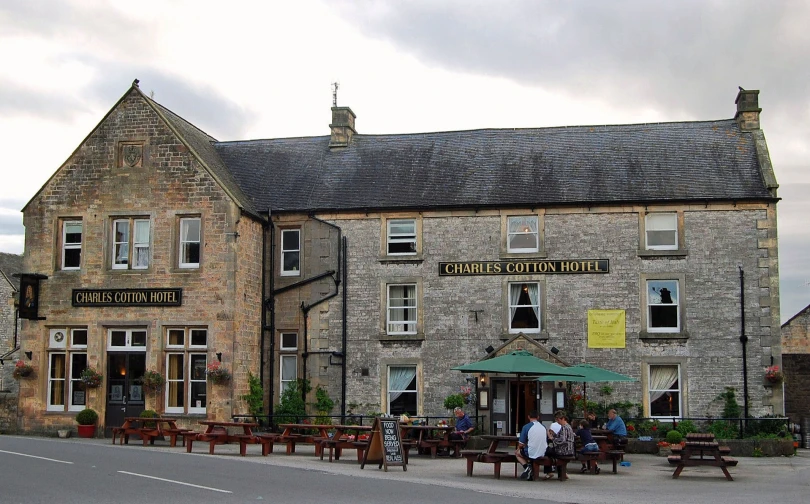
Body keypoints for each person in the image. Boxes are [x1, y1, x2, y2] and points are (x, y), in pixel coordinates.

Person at [515, 410, 547, 481]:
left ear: (528, 417)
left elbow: (521, 444)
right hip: (543, 452)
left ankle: (527, 467)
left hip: (531, 452)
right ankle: (529, 469)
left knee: (517, 453)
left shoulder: (526, 427)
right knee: (528, 450)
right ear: (538, 417)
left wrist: (518, 449)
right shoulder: (543, 427)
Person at [543, 410, 575, 480]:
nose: (557, 422)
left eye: (558, 420)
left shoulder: (564, 428)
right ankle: (561, 473)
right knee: (552, 452)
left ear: (563, 418)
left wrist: (552, 439)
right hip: (569, 450)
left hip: (564, 450)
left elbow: (562, 440)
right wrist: (554, 434)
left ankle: (549, 471)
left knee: (547, 451)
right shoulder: (568, 427)